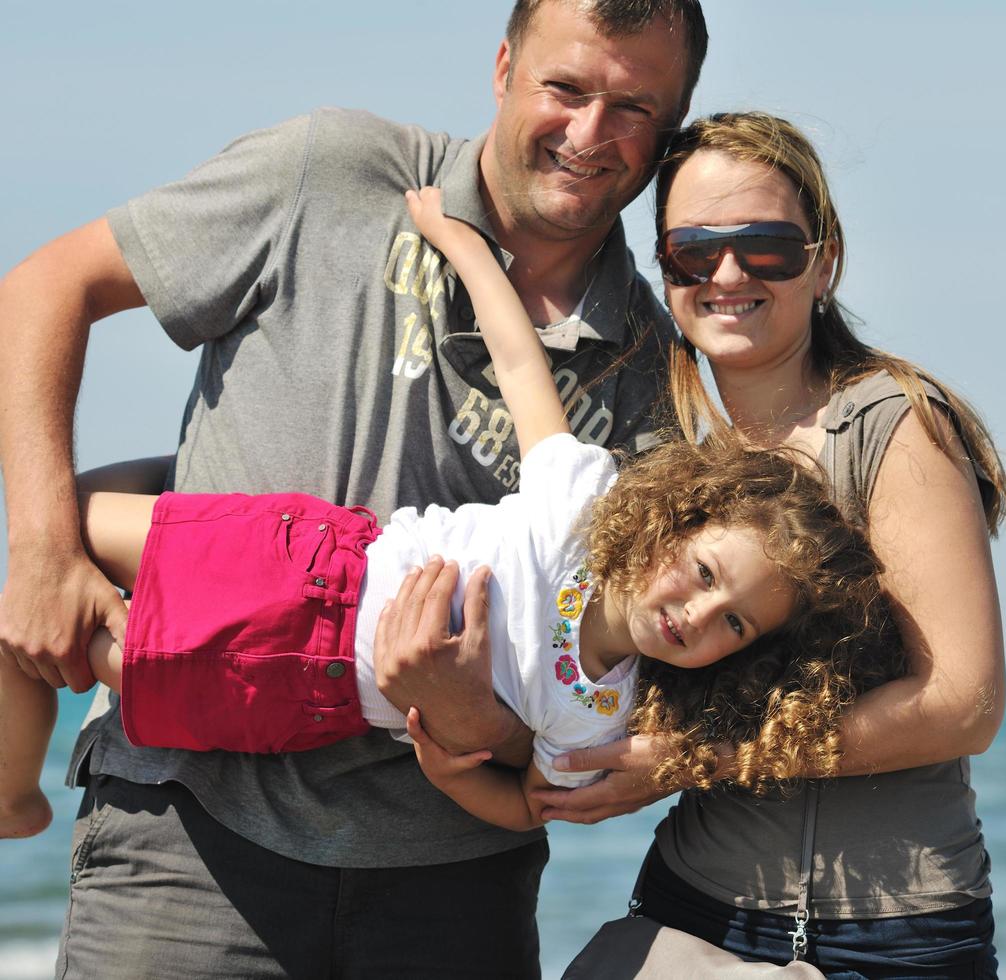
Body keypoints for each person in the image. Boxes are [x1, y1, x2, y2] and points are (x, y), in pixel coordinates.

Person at [0, 1, 708, 974]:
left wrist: (478, 723)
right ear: (504, 65)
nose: (589, 133)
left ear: (671, 124)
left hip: (456, 884)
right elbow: (43, 287)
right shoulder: (330, 171)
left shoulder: (653, 369)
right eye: (566, 87)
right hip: (190, 833)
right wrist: (42, 545)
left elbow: (598, 703)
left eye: (634, 106)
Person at [0, 185, 891, 837]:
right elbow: (518, 361)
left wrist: (446, 766)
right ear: (681, 523)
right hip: (311, 566)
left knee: (92, 650)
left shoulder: (605, 714)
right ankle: (12, 784)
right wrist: (459, 242)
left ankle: (10, 794)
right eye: (703, 575)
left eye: (731, 622)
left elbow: (527, 811)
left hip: (310, 697)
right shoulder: (584, 503)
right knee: (55, 546)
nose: (694, 612)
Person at [526, 112, 1006, 976]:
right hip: (691, 911)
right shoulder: (662, 440)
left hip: (887, 934)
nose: (727, 273)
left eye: (767, 247)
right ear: (665, 267)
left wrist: (691, 762)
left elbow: (964, 704)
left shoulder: (893, 426)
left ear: (824, 264)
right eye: (693, 250)